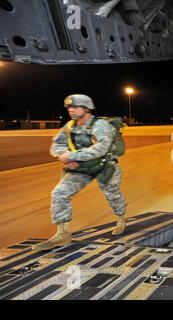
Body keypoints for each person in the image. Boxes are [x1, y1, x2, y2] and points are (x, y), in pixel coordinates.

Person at [32, 94, 127, 251]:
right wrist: (66, 157)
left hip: (105, 165)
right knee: (59, 193)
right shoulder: (70, 126)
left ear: (87, 109)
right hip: (83, 167)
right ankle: (63, 234)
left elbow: (101, 148)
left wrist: (73, 155)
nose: (71, 110)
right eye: (69, 107)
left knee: (112, 194)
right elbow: (55, 146)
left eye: (75, 107)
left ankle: (121, 218)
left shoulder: (100, 124)